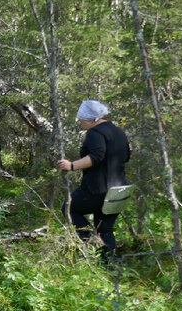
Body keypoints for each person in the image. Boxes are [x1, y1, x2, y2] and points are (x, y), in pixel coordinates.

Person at [56, 100, 131, 260]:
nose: (81, 123)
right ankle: (109, 268)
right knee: (105, 230)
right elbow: (127, 157)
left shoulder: (95, 133)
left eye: (82, 120)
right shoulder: (118, 132)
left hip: (98, 189)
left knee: (69, 208)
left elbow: (96, 156)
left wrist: (72, 166)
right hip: (119, 190)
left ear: (92, 119)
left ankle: (92, 244)